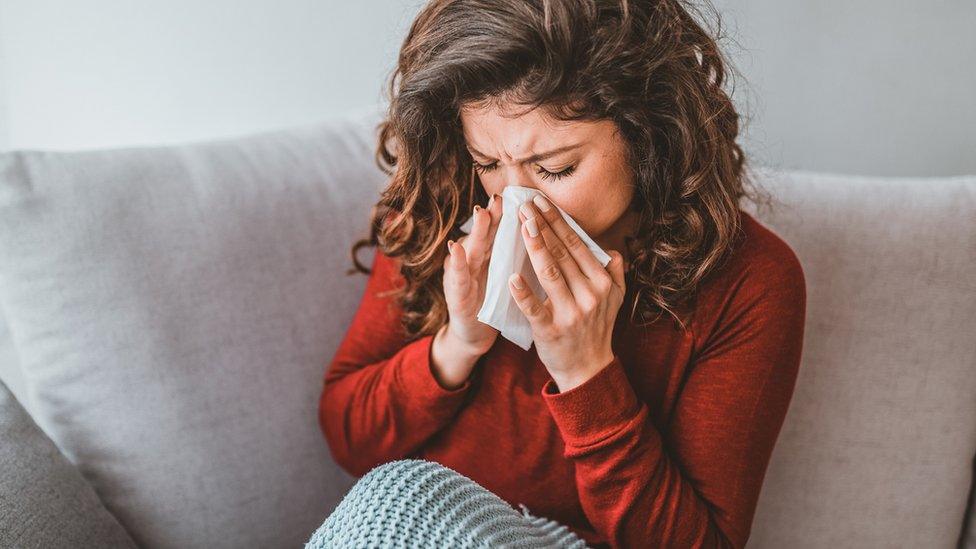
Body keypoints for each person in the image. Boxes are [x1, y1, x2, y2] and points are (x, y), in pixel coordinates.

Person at [314, 0, 807, 547]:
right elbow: (348, 438)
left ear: (649, 139)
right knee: (394, 496)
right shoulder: (439, 211)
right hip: (410, 522)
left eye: (555, 168)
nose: (519, 200)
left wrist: (587, 376)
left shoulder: (748, 281)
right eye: (489, 164)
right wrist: (457, 344)